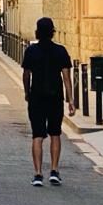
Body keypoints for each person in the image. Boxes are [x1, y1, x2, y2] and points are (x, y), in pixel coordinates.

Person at [21, 17, 75, 187]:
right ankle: (54, 170)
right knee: (55, 133)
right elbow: (66, 78)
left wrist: (27, 92)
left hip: (37, 97)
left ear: (37, 32)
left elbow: (26, 74)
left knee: (37, 135)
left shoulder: (31, 51)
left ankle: (37, 174)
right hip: (55, 97)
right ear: (53, 32)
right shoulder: (61, 51)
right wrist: (71, 100)